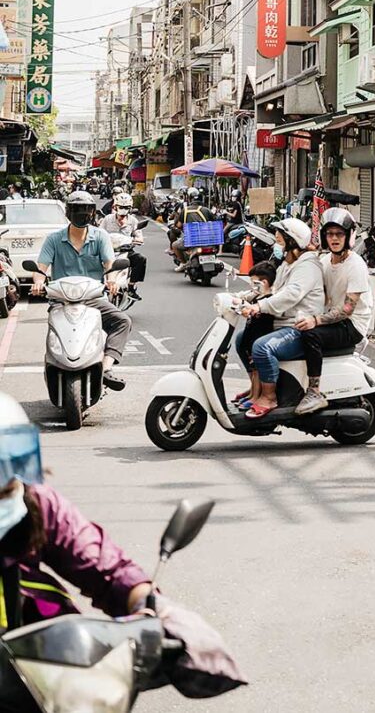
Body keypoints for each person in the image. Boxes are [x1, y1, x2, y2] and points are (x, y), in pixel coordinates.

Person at [0, 392, 246, 706]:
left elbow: (105, 568)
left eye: (8, 487)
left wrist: (154, 607)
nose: (6, 496)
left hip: (39, 679)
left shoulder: (35, 502)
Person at [33, 190, 131, 391]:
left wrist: (111, 281)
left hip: (93, 299)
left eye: (86, 210)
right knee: (55, 335)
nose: (82, 214)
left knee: (123, 321)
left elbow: (109, 265)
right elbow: (40, 269)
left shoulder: (100, 236)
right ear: (69, 212)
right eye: (78, 209)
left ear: (93, 213)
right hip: (61, 300)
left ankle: (106, 368)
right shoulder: (54, 239)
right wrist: (38, 283)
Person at [238, 218, 324, 419]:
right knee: (242, 340)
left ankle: (269, 397)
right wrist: (245, 298)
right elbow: (275, 290)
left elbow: (290, 295)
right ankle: (256, 389)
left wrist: (259, 306)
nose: (277, 240)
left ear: (292, 241)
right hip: (282, 322)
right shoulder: (287, 264)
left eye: (281, 237)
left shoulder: (307, 267)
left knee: (262, 347)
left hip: (297, 326)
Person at [295, 207, 373, 415]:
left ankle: (314, 392)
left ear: (348, 236)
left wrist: (316, 320)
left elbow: (348, 309)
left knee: (311, 334)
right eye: (330, 234)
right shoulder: (324, 262)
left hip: (352, 325)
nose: (334, 239)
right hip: (334, 320)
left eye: (339, 234)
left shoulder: (356, 265)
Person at [231, 260, 278, 410]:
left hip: (259, 337)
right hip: (251, 337)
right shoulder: (257, 296)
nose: (252, 286)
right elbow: (243, 297)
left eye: (254, 283)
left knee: (257, 368)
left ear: (264, 282)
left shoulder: (268, 301)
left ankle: (256, 396)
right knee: (253, 367)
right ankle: (252, 393)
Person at [99, 192, 147, 295]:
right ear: (115, 207)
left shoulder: (133, 221)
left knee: (140, 259)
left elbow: (138, 234)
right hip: (108, 251)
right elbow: (99, 232)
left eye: (126, 207)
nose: (123, 209)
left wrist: (138, 239)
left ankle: (131, 286)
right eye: (121, 207)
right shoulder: (108, 219)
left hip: (125, 251)